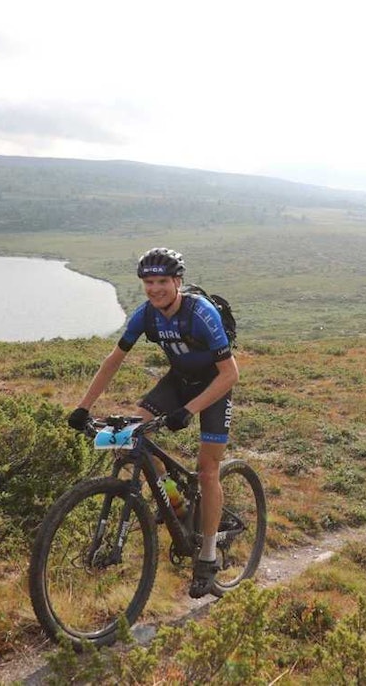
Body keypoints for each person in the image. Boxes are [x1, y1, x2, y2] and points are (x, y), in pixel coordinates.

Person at [66, 247, 239, 598]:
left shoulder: (201, 313)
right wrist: (83, 407)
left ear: (178, 281)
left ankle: (206, 558)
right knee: (133, 432)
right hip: (178, 381)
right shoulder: (146, 315)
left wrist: (189, 410)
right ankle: (175, 502)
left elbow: (230, 374)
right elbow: (114, 359)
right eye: (148, 282)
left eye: (162, 281)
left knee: (207, 470)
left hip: (213, 387)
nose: (155, 288)